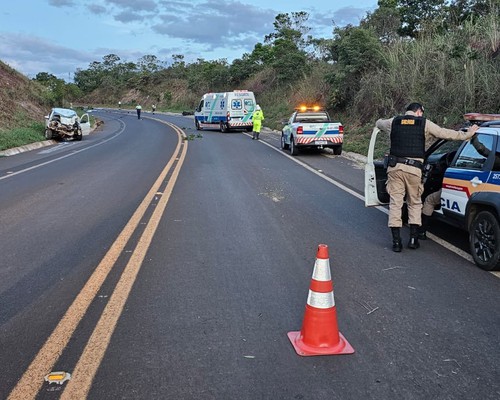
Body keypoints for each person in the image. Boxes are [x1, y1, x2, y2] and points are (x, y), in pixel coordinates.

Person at [376, 102, 479, 252]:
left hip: (395, 168)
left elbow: (379, 123)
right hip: (413, 170)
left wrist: (378, 122)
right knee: (414, 203)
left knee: (395, 204)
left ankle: (396, 242)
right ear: (418, 112)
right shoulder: (425, 124)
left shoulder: (394, 121)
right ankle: (413, 239)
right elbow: (446, 134)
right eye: (421, 113)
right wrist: (467, 134)